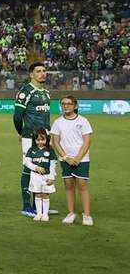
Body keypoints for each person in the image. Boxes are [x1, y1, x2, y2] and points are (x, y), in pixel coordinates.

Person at [14, 61, 52, 217]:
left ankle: (40, 204)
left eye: (44, 71)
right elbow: (17, 116)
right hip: (30, 136)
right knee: (29, 168)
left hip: (45, 136)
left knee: (43, 167)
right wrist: (21, 132)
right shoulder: (26, 91)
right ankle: (26, 205)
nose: (42, 73)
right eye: (38, 71)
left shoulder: (46, 92)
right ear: (31, 75)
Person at [50, 95, 93, 225]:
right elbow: (55, 141)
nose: (66, 106)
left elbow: (87, 141)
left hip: (82, 159)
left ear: (75, 106)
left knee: (82, 185)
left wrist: (78, 158)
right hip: (66, 159)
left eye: (69, 103)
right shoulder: (58, 122)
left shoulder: (83, 121)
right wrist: (65, 157)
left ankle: (86, 215)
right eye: (63, 104)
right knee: (68, 185)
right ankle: (71, 213)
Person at [24, 127, 57, 221]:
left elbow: (53, 164)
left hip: (46, 176)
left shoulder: (50, 150)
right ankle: (39, 213)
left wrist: (52, 177)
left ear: (46, 139)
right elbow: (27, 162)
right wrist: (36, 167)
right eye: (38, 140)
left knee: (45, 194)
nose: (40, 142)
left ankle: (45, 214)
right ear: (34, 140)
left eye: (43, 139)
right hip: (35, 176)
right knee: (37, 194)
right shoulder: (31, 150)